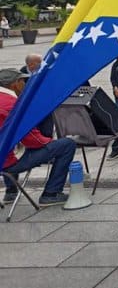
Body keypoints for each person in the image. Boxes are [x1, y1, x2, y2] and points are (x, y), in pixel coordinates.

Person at [1, 69, 77, 206]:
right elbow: (34, 141)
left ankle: (11, 192)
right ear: (15, 84)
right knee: (67, 144)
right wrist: (50, 143)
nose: (25, 84)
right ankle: (51, 193)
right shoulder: (12, 104)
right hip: (7, 163)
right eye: (23, 81)